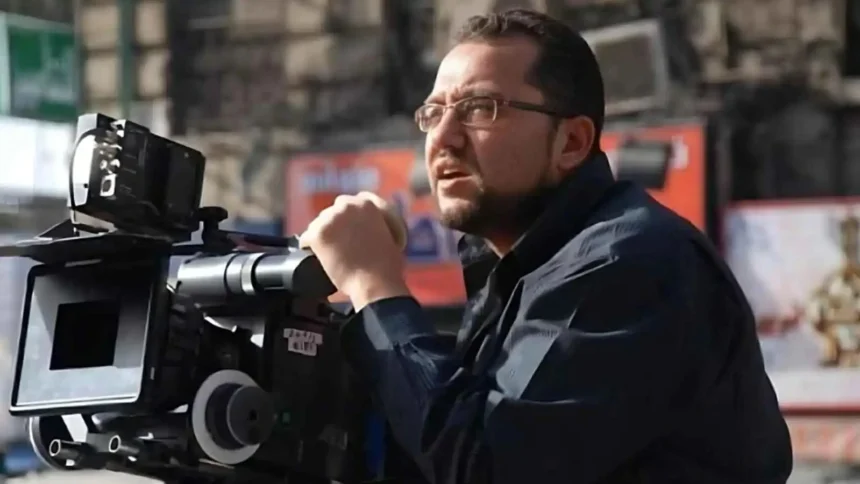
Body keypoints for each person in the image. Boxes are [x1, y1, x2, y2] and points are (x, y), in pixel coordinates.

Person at [298, 8, 793, 484]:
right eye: (434, 112)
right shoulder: (519, 269)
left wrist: (374, 286)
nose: (443, 138)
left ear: (571, 142)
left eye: (479, 109)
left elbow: (488, 466)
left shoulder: (628, 261)